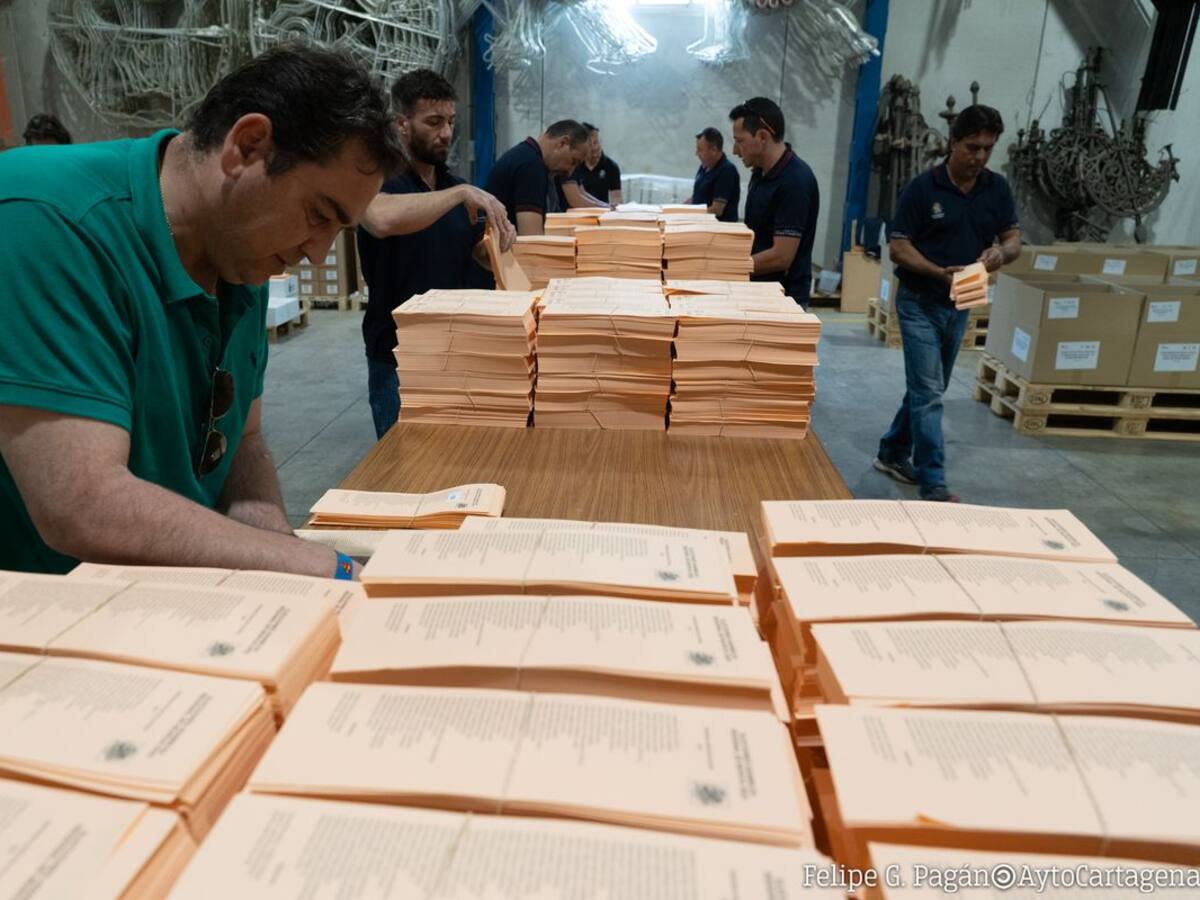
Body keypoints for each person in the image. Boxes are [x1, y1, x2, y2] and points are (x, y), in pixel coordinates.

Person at [0, 44, 404, 577]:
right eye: (318, 215)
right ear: (247, 145)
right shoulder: (46, 220)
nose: (318, 253)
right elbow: (81, 504)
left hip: (167, 596)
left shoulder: (239, 253)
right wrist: (311, 563)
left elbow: (244, 443)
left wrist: (278, 546)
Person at [875, 104, 1021, 503]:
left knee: (928, 386)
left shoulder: (996, 189)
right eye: (972, 147)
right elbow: (899, 248)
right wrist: (939, 272)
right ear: (953, 142)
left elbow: (1013, 240)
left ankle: (891, 452)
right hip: (919, 301)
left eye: (987, 148)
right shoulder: (923, 189)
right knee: (929, 392)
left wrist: (1000, 254)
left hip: (963, 299)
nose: (979, 156)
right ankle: (933, 481)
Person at [356, 69, 512, 440]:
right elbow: (380, 219)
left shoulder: (453, 185)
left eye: (451, 121)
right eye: (434, 122)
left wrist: (496, 248)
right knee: (405, 458)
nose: (446, 132)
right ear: (402, 125)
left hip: (454, 347)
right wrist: (461, 195)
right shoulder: (377, 179)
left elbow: (470, 252)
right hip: (399, 354)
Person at [729, 98, 819, 307]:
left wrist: (730, 267)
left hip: (783, 300)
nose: (735, 150)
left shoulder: (795, 181)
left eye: (740, 141)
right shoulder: (760, 173)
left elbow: (781, 257)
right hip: (757, 289)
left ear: (762, 136)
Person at [485, 121, 589, 235]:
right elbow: (531, 238)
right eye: (573, 161)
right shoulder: (531, 167)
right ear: (562, 143)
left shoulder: (523, 155)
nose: (570, 172)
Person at [562, 123, 622, 208]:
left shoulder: (611, 166)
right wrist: (604, 207)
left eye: (596, 142)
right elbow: (576, 200)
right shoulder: (569, 162)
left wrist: (606, 206)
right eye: (590, 144)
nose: (594, 148)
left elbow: (582, 192)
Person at [686, 127, 739, 222]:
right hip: (699, 222)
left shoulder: (727, 170)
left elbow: (717, 210)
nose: (696, 154)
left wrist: (690, 214)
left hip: (718, 227)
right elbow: (700, 196)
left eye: (700, 150)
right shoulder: (704, 167)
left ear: (714, 150)